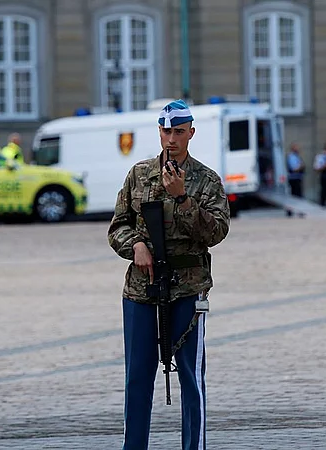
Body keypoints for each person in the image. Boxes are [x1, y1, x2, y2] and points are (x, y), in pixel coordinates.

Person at [107, 99, 230, 450]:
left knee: (191, 379)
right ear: (159, 132)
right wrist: (135, 246)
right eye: (166, 131)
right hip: (142, 289)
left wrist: (183, 200)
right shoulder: (139, 174)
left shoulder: (206, 180)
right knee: (138, 380)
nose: (171, 139)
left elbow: (216, 233)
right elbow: (117, 226)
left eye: (178, 132)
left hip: (188, 290)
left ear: (191, 133)